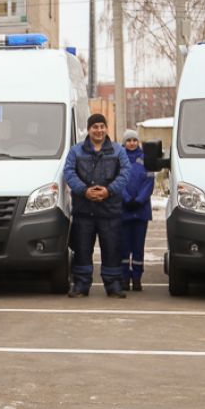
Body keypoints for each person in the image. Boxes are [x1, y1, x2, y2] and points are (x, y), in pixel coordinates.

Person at [63, 113, 131, 298]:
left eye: (102, 126)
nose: (99, 130)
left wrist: (108, 191)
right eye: (95, 127)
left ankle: (114, 285)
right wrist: (85, 191)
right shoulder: (76, 151)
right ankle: (81, 285)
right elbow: (69, 172)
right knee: (82, 249)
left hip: (110, 211)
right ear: (89, 129)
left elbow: (125, 173)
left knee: (112, 248)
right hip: (84, 211)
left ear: (106, 128)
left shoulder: (118, 151)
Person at [119, 129, 154, 292]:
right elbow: (117, 181)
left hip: (141, 210)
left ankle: (137, 279)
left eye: (134, 140)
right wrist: (126, 199)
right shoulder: (119, 159)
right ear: (124, 142)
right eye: (129, 140)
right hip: (124, 210)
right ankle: (125, 278)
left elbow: (149, 182)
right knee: (124, 246)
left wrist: (139, 200)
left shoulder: (145, 159)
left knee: (138, 247)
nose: (132, 143)